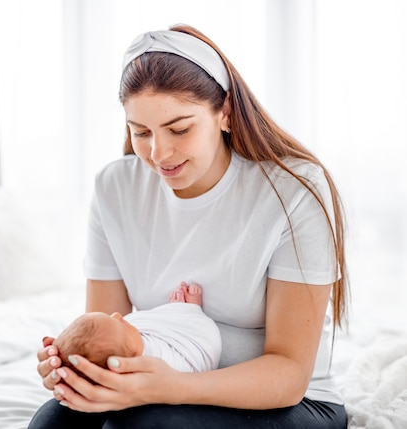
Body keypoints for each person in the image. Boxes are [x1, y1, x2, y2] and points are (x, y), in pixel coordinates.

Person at [29, 24, 349, 429]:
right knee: (54, 423)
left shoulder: (294, 190)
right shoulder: (115, 187)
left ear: (225, 113)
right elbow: (110, 325)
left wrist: (173, 387)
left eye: (179, 129)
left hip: (288, 403)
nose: (158, 153)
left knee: (147, 427)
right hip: (159, 380)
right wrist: (76, 369)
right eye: (141, 132)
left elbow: (289, 374)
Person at [52, 282, 221, 374]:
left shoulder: (132, 344)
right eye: (120, 325)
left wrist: (173, 313)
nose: (117, 315)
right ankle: (187, 312)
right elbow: (194, 369)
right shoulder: (164, 364)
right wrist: (185, 312)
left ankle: (178, 312)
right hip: (196, 344)